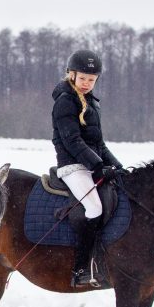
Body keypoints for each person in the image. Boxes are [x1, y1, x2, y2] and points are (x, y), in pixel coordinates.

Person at [51, 49, 124, 288]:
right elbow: (72, 141)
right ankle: (81, 267)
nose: (86, 83)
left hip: (90, 163)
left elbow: (98, 143)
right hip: (72, 166)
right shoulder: (65, 100)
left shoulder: (92, 102)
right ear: (71, 75)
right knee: (93, 207)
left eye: (91, 80)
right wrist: (98, 166)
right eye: (82, 78)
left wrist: (117, 166)